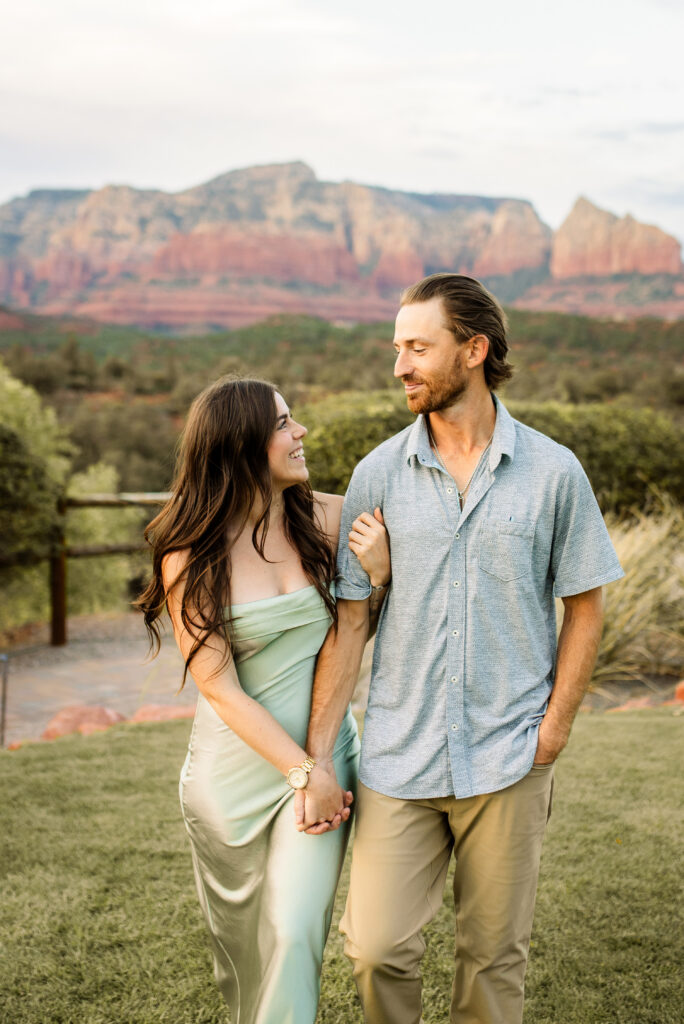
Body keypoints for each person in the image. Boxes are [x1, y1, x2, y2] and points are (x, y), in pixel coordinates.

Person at [298, 273, 625, 1024]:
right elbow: (352, 625)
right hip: (397, 759)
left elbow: (585, 604)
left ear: (473, 350)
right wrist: (319, 754)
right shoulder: (378, 473)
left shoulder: (554, 472)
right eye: (396, 348)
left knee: (492, 959)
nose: (399, 366)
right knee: (374, 947)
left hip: (509, 753)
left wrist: (555, 729)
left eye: (418, 347)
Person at [136, 376, 391, 1024]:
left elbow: (365, 619)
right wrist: (300, 770)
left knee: (292, 933)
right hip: (232, 781)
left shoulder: (332, 518)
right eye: (283, 424)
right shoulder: (189, 554)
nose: (300, 433)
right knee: (245, 961)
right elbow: (219, 688)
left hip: (324, 764)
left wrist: (381, 572)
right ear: (240, 445)